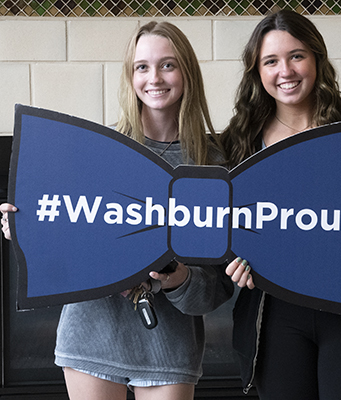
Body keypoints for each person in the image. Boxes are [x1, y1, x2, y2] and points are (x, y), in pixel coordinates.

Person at [0, 21, 233, 400]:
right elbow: (66, 248)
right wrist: (27, 229)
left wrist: (176, 277)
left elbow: (217, 288)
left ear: (187, 72)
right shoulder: (95, 150)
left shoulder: (215, 166)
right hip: (90, 337)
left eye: (168, 65)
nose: (154, 77)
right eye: (142, 67)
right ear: (130, 76)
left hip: (169, 347)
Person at [220, 10, 341, 400]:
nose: (285, 70)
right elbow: (217, 229)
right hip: (273, 316)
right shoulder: (238, 143)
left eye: (297, 55)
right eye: (271, 61)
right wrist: (229, 259)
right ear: (257, 71)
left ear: (317, 58)